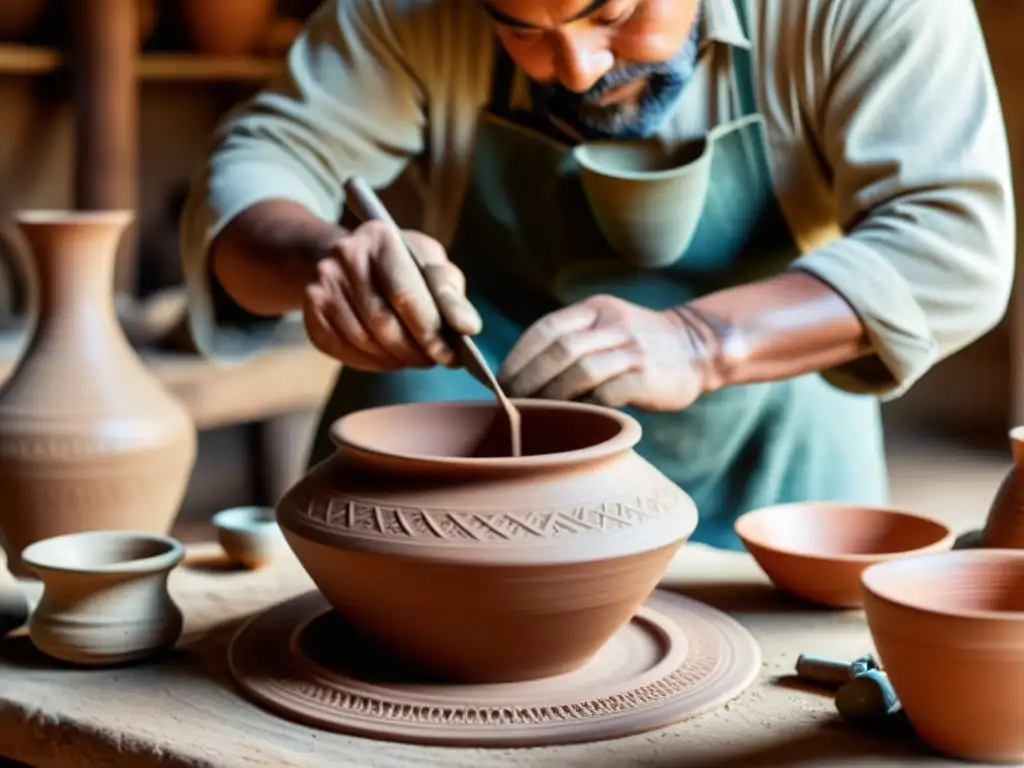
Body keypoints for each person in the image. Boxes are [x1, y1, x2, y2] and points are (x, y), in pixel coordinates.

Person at [180, 0, 1015, 550]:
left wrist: (701, 341)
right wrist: (320, 260)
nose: (574, 69)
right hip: (477, 396)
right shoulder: (407, 9)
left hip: (765, 419)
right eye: (520, 26)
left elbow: (956, 238)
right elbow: (262, 162)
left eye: (611, 14)